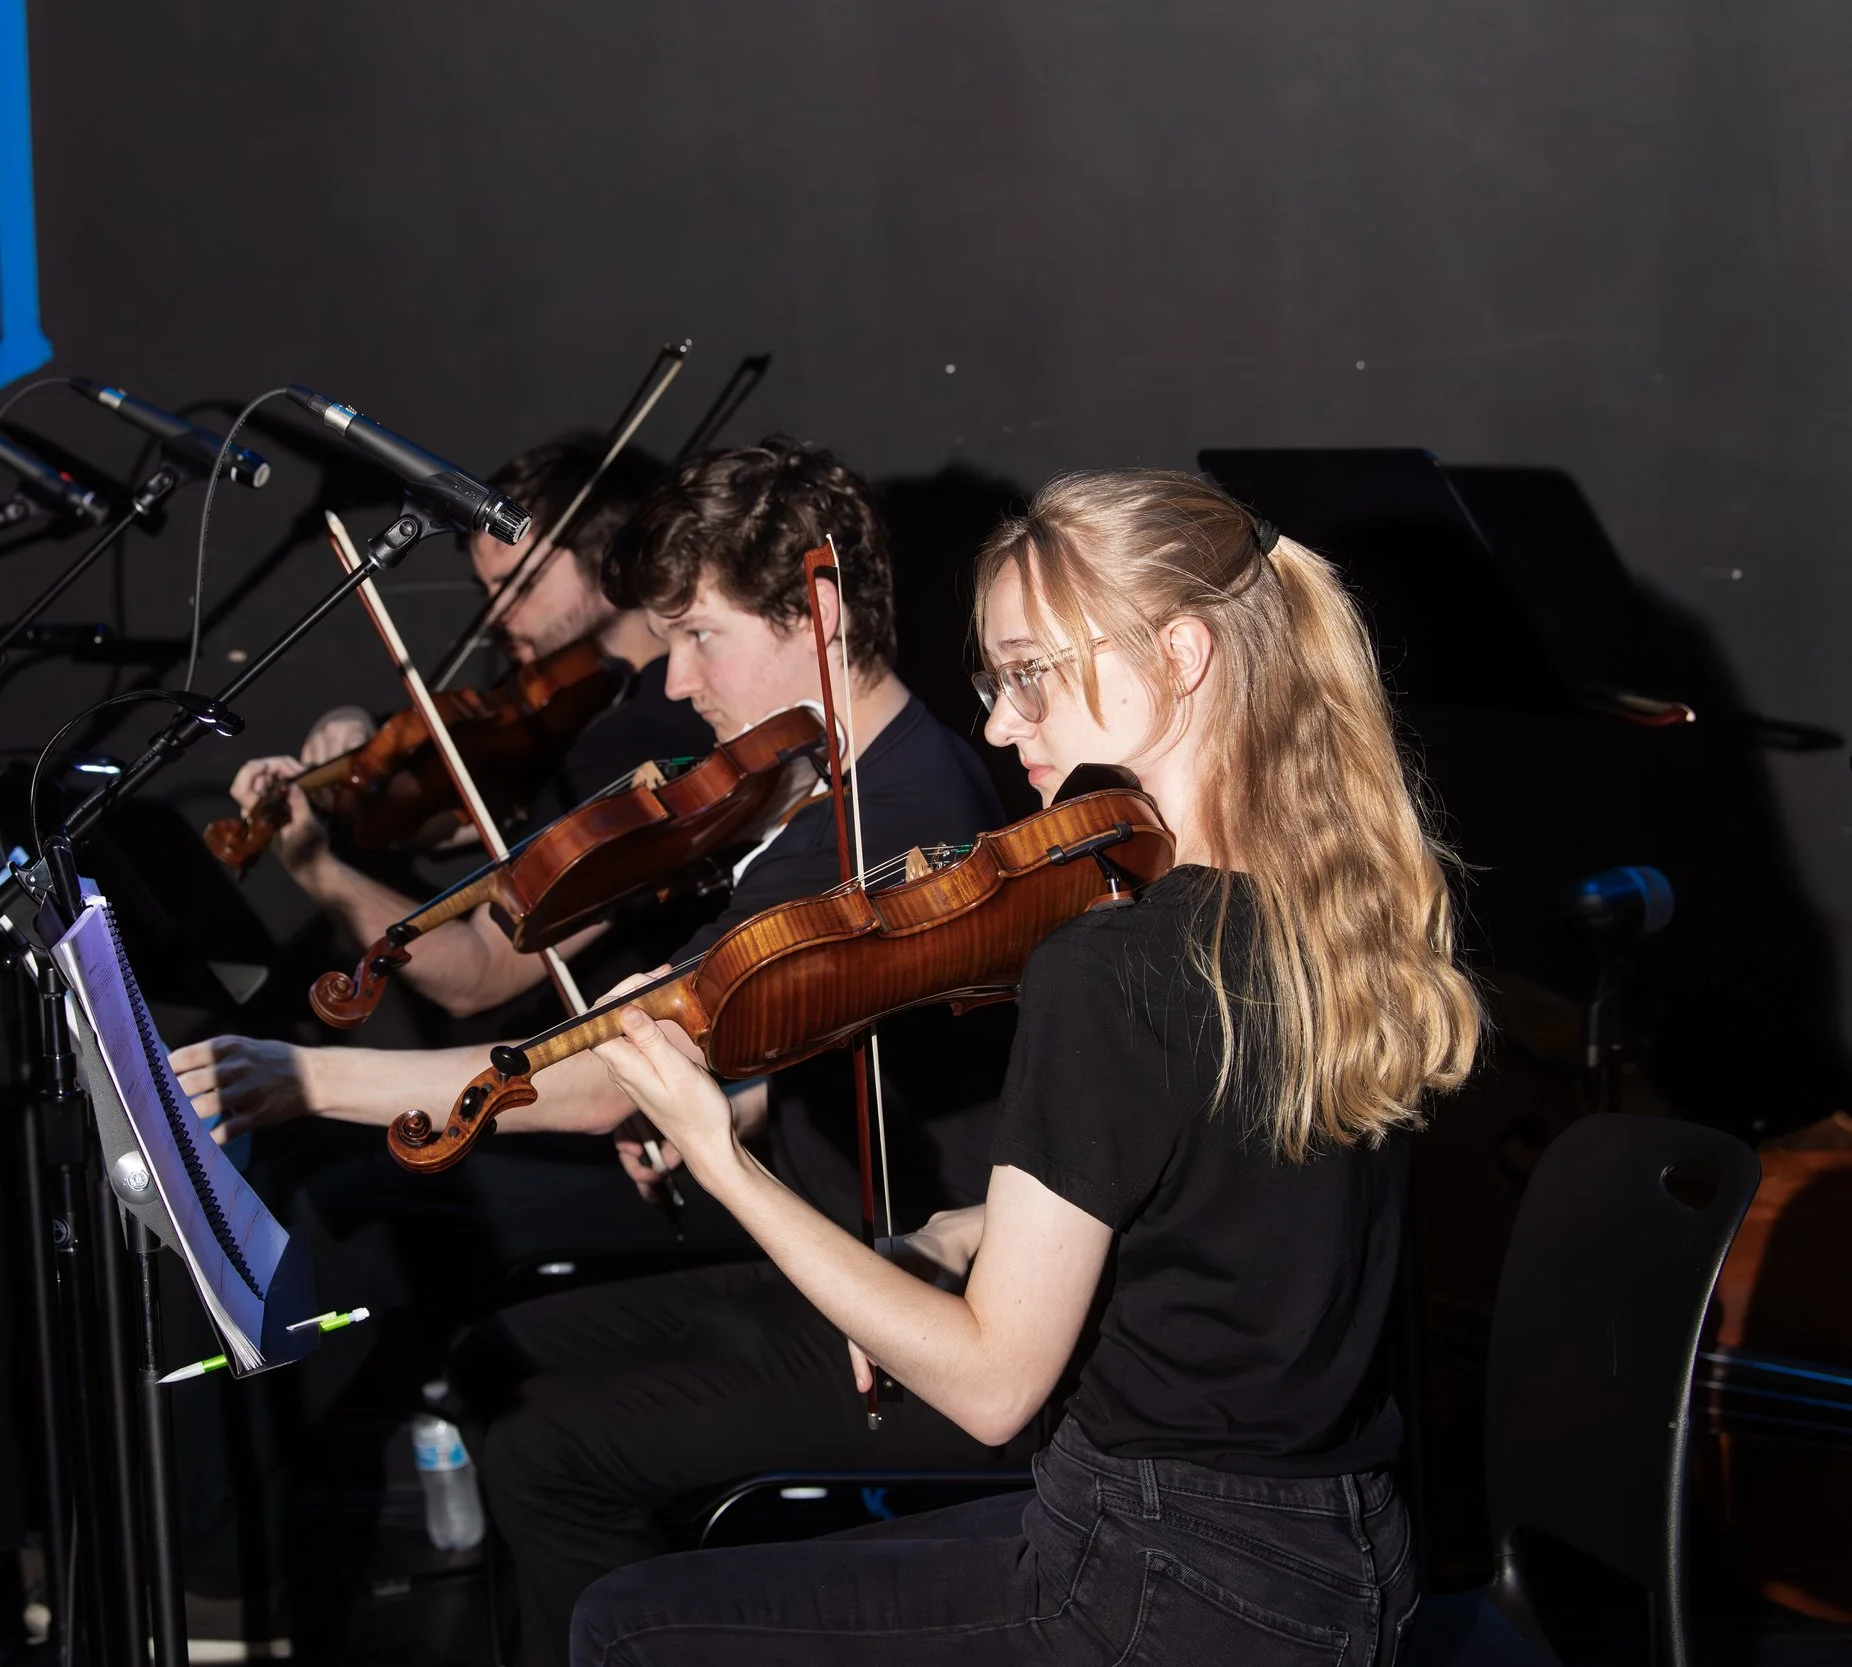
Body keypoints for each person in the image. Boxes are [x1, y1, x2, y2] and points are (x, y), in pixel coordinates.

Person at [568, 469, 1485, 1666]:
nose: (1000, 726)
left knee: (626, 1625)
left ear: (1184, 652)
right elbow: (1221, 1227)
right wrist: (958, 1231)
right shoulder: (1344, 910)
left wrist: (720, 1159)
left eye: (1029, 675)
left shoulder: (1114, 962)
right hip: (1342, 1555)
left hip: (1160, 1579)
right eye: (996, 684)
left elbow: (993, 1389)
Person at [175, 439, 1029, 1667]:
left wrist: (302, 1076)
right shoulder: (810, 784)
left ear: (820, 612)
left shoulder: (892, 822)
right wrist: (724, 1094)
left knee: (544, 1446)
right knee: (493, 1356)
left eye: (700, 637)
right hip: (841, 1259)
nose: (673, 683)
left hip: (913, 1304)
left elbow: (584, 1082)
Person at [227, 434, 712, 1025]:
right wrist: (354, 730)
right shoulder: (566, 708)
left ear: (612, 557)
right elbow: (437, 791)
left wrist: (316, 868)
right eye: (486, 589)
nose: (496, 613)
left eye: (519, 584)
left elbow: (478, 972)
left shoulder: (645, 740)